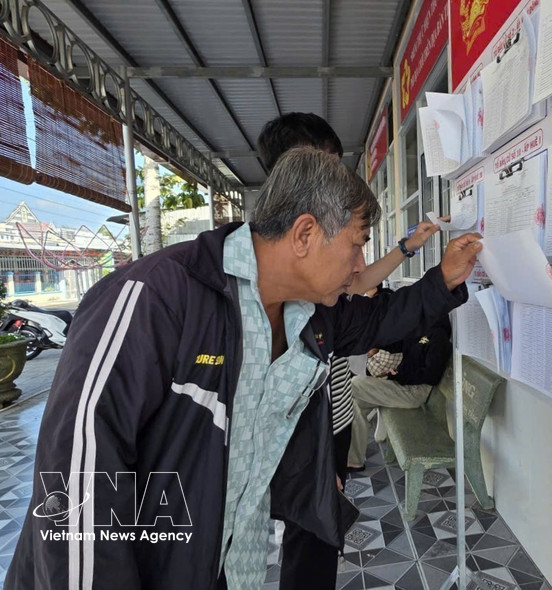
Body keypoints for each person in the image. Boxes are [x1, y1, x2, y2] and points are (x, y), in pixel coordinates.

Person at [6, 146, 482, 589]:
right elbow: (77, 474)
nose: (360, 266)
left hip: (235, 562)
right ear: (305, 234)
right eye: (357, 245)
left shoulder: (312, 313)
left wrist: (444, 278)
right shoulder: (154, 298)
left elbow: (381, 318)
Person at [256, 113, 443, 588]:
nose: (341, 178)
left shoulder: (324, 285)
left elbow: (361, 292)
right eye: (329, 166)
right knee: (303, 539)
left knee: (316, 537)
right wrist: (308, 467)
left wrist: (409, 251)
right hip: (302, 439)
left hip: (331, 421)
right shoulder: (253, 286)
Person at [347, 310, 453, 471]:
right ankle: (354, 462)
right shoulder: (420, 329)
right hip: (402, 384)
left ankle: (329, 437)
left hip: (414, 392)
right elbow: (401, 345)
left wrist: (400, 376)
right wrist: (377, 347)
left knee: (355, 383)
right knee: (357, 403)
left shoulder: (438, 337)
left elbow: (431, 376)